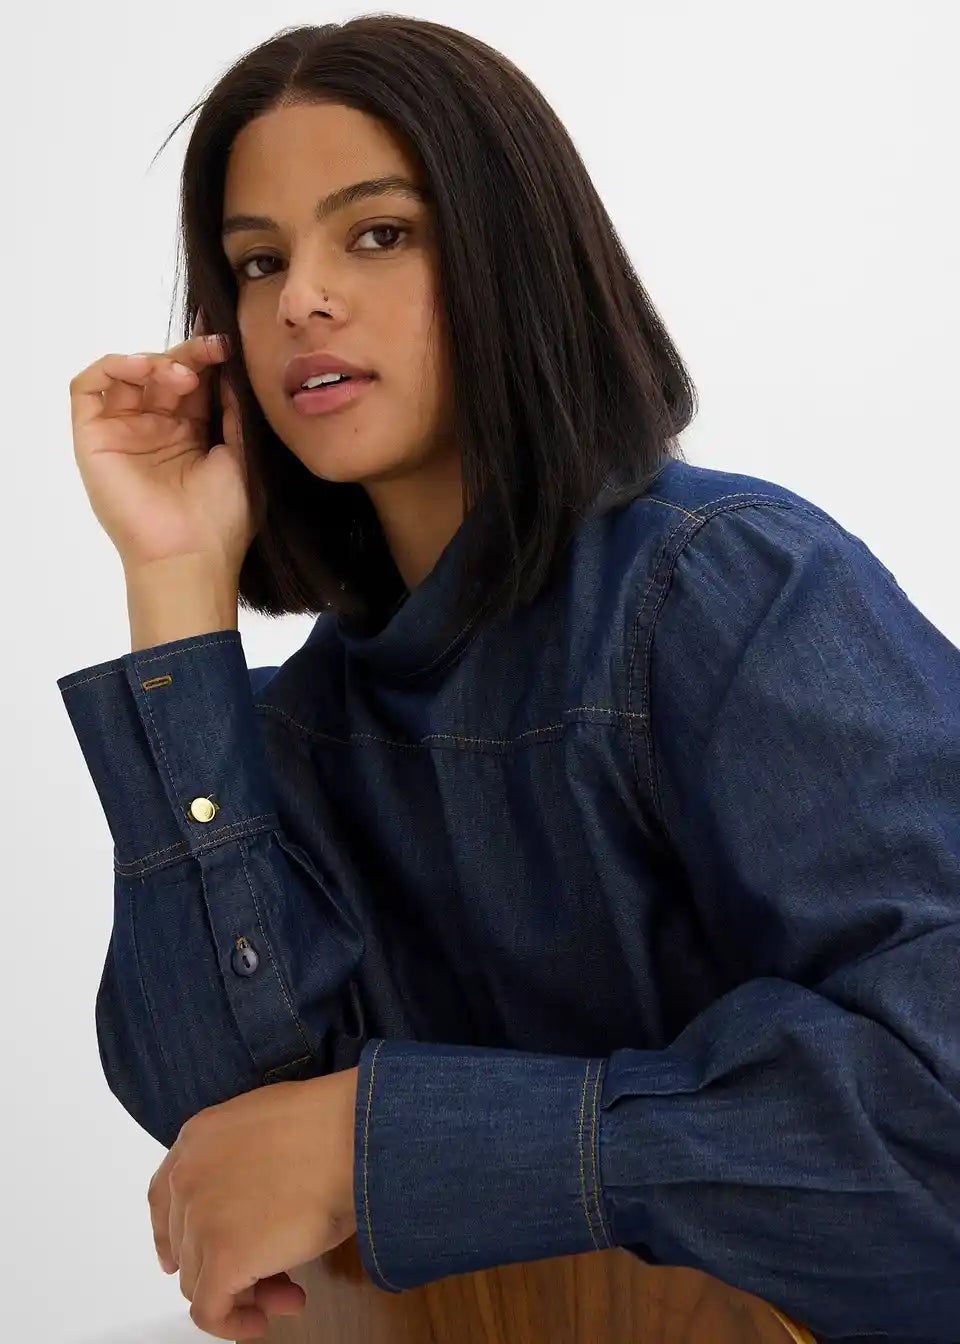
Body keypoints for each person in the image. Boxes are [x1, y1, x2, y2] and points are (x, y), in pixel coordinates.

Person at [58, 16, 959, 1344]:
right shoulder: (291, 737)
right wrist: (177, 586)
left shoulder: (726, 589)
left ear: (511, 257)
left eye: (378, 234)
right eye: (258, 262)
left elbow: (935, 1115)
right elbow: (225, 1141)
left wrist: (390, 1140)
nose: (302, 298)